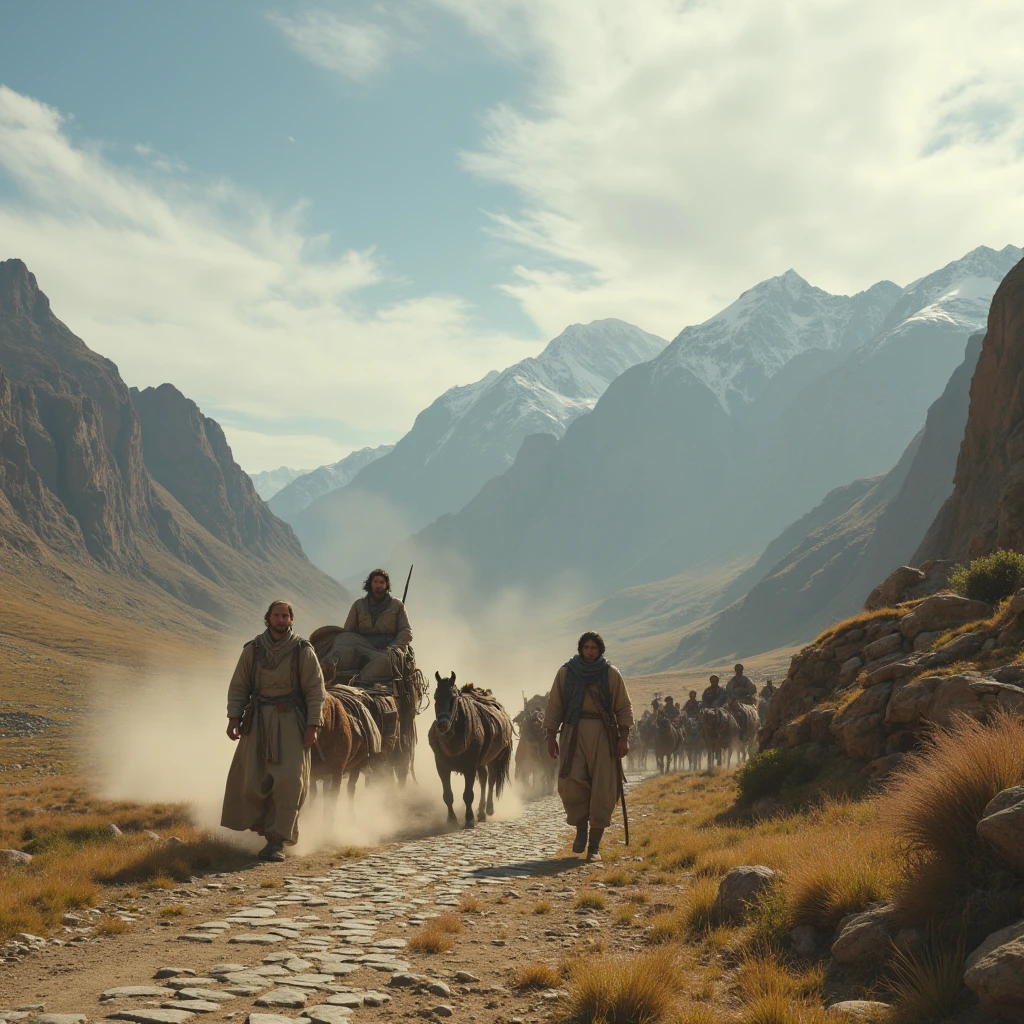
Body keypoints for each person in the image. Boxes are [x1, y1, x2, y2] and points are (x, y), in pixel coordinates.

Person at [221, 599, 325, 861]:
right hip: (257, 722)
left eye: (286, 616)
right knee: (252, 782)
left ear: (291, 620)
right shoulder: (253, 650)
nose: (281, 620)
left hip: (291, 720)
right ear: (267, 619)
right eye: (277, 615)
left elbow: (315, 690)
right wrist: (234, 717)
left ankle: (278, 841)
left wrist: (313, 725)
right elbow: (239, 686)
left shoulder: (303, 651)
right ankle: (266, 833)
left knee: (290, 781)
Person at [544, 631, 633, 863]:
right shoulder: (566, 672)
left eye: (594, 647)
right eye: (586, 647)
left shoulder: (611, 674)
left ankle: (594, 846)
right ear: (580, 649)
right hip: (573, 732)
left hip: (603, 734)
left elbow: (623, 707)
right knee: (571, 781)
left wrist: (623, 737)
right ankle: (581, 829)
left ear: (600, 650)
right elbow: (555, 705)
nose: (590, 651)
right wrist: (550, 736)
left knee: (603, 786)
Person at [326, 569, 413, 685]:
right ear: (370, 584)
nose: (378, 585)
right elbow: (348, 631)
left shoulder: (397, 605)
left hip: (385, 648)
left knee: (384, 661)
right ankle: (326, 672)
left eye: (382, 582)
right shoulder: (359, 605)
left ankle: (358, 682)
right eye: (375, 582)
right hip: (362, 645)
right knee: (342, 640)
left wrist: (394, 649)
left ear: (386, 585)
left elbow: (406, 631)